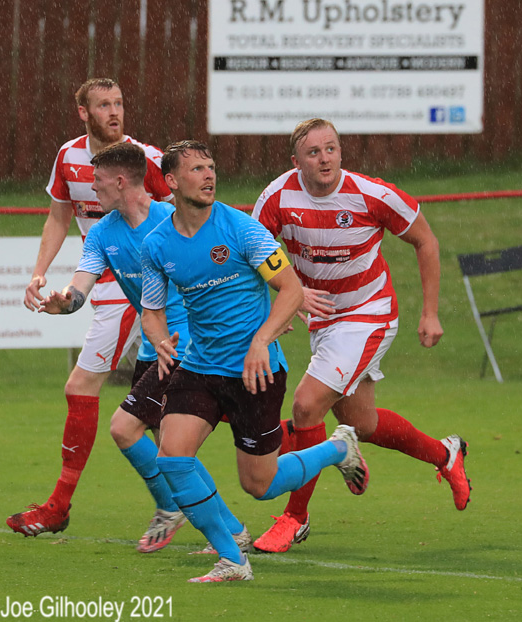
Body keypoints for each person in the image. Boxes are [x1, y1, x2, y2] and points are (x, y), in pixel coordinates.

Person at [140, 140, 369, 583]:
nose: (209, 176)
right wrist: (158, 339)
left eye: (211, 167)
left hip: (257, 372)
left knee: (259, 485)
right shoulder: (157, 245)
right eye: (197, 169)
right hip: (200, 365)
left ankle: (339, 447)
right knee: (172, 457)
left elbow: (291, 289)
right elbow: (151, 311)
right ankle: (232, 559)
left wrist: (261, 340)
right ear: (170, 181)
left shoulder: (242, 229)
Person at [249, 118, 470, 554]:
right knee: (360, 424)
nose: (324, 158)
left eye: (331, 148)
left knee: (307, 405)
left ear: (340, 152)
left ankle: (295, 517)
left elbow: (426, 242)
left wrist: (430, 313)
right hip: (325, 323)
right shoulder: (276, 197)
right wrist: (289, 295)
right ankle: (446, 455)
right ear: (297, 162)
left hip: (370, 314)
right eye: (314, 152)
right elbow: (254, 255)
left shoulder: (374, 194)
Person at [8, 78, 173, 536]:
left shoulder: (145, 160)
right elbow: (60, 216)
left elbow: (185, 220)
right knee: (161, 409)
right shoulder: (68, 157)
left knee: (83, 387)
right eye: (104, 104)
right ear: (83, 112)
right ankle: (186, 505)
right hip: (103, 283)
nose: (114, 111)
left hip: (137, 290)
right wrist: (39, 273)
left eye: (119, 102)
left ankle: (59, 505)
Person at [35, 142, 197, 553]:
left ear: (121, 181)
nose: (91, 188)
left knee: (138, 431)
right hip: (154, 345)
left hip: (193, 341)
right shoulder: (103, 233)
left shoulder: (175, 220)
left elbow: (225, 264)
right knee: (168, 441)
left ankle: (206, 521)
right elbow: (80, 289)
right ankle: (213, 525)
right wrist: (64, 304)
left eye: (98, 181)